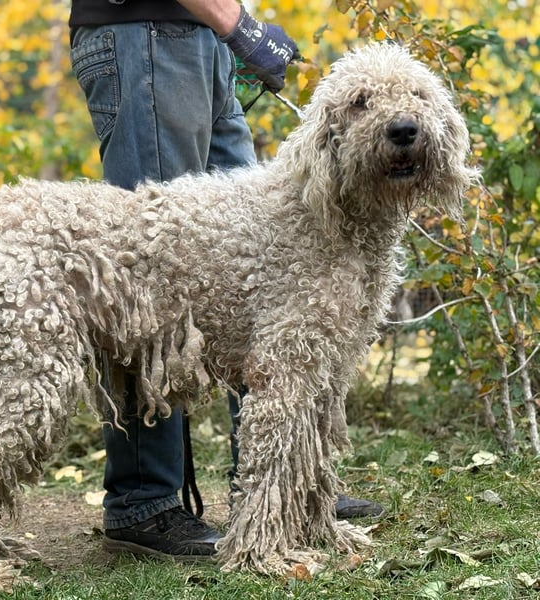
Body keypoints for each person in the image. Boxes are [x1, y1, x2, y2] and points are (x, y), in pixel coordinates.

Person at [68, 0, 382, 561]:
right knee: (154, 274)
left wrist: (233, 25)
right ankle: (144, 503)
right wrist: (238, 23)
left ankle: (285, 490)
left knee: (261, 261)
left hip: (200, 40)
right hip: (145, 36)